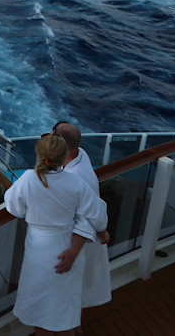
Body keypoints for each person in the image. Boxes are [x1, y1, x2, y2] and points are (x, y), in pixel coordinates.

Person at [4, 134, 108, 336]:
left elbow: (14, 208)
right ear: (63, 157)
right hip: (68, 249)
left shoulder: (28, 179)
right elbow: (98, 216)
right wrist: (102, 232)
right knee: (65, 310)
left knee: (40, 312)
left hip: (39, 253)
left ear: (39, 154)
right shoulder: (76, 183)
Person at [53, 121, 112, 322]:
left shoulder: (77, 178)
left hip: (80, 242)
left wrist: (101, 232)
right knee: (72, 292)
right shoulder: (80, 154)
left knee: (73, 293)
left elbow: (90, 215)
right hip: (79, 236)